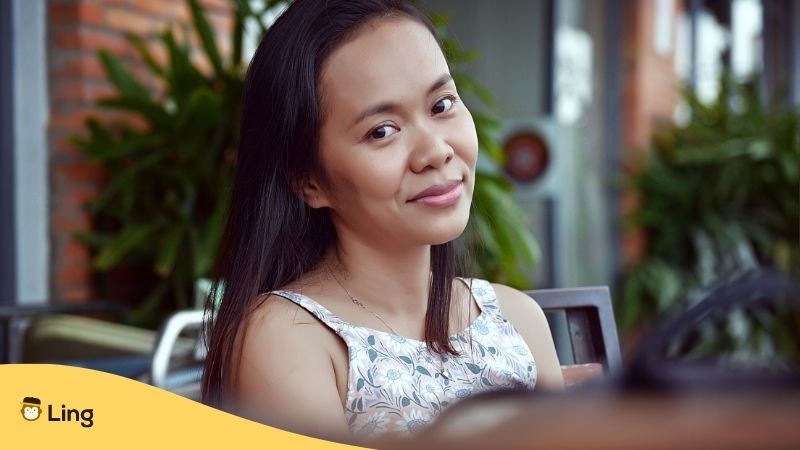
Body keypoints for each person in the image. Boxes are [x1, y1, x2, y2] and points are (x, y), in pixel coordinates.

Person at [202, 0, 564, 443]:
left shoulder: (517, 319)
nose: (435, 151)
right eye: (382, 131)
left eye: (442, 104)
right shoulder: (286, 337)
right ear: (308, 181)